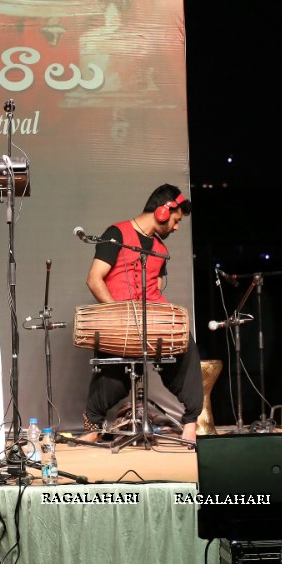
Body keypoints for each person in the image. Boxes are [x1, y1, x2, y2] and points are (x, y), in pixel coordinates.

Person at [77, 184, 203, 444]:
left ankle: (190, 422)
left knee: (185, 342)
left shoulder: (159, 248)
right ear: (162, 212)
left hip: (151, 318)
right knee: (112, 377)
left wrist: (165, 320)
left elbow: (155, 287)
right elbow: (94, 278)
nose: (177, 227)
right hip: (118, 318)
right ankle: (93, 426)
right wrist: (117, 314)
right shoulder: (116, 234)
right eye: (176, 220)